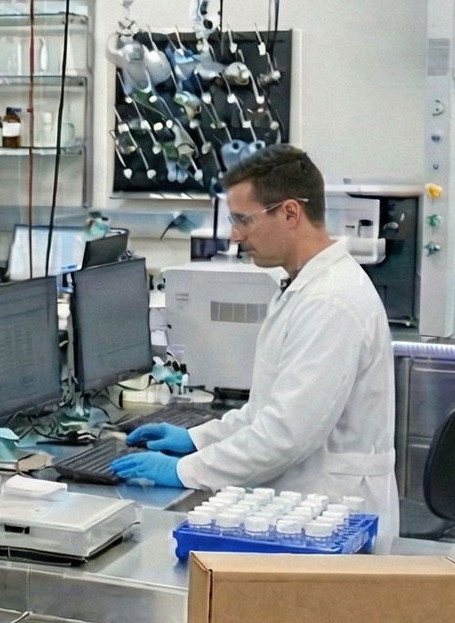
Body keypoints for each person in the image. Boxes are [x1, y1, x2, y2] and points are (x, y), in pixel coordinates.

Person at [111, 144, 398, 522]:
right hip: (309, 506)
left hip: (333, 513)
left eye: (244, 220)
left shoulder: (331, 302)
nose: (234, 236)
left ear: (290, 212)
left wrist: (183, 471)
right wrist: (197, 439)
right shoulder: (302, 287)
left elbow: (284, 435)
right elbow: (268, 412)